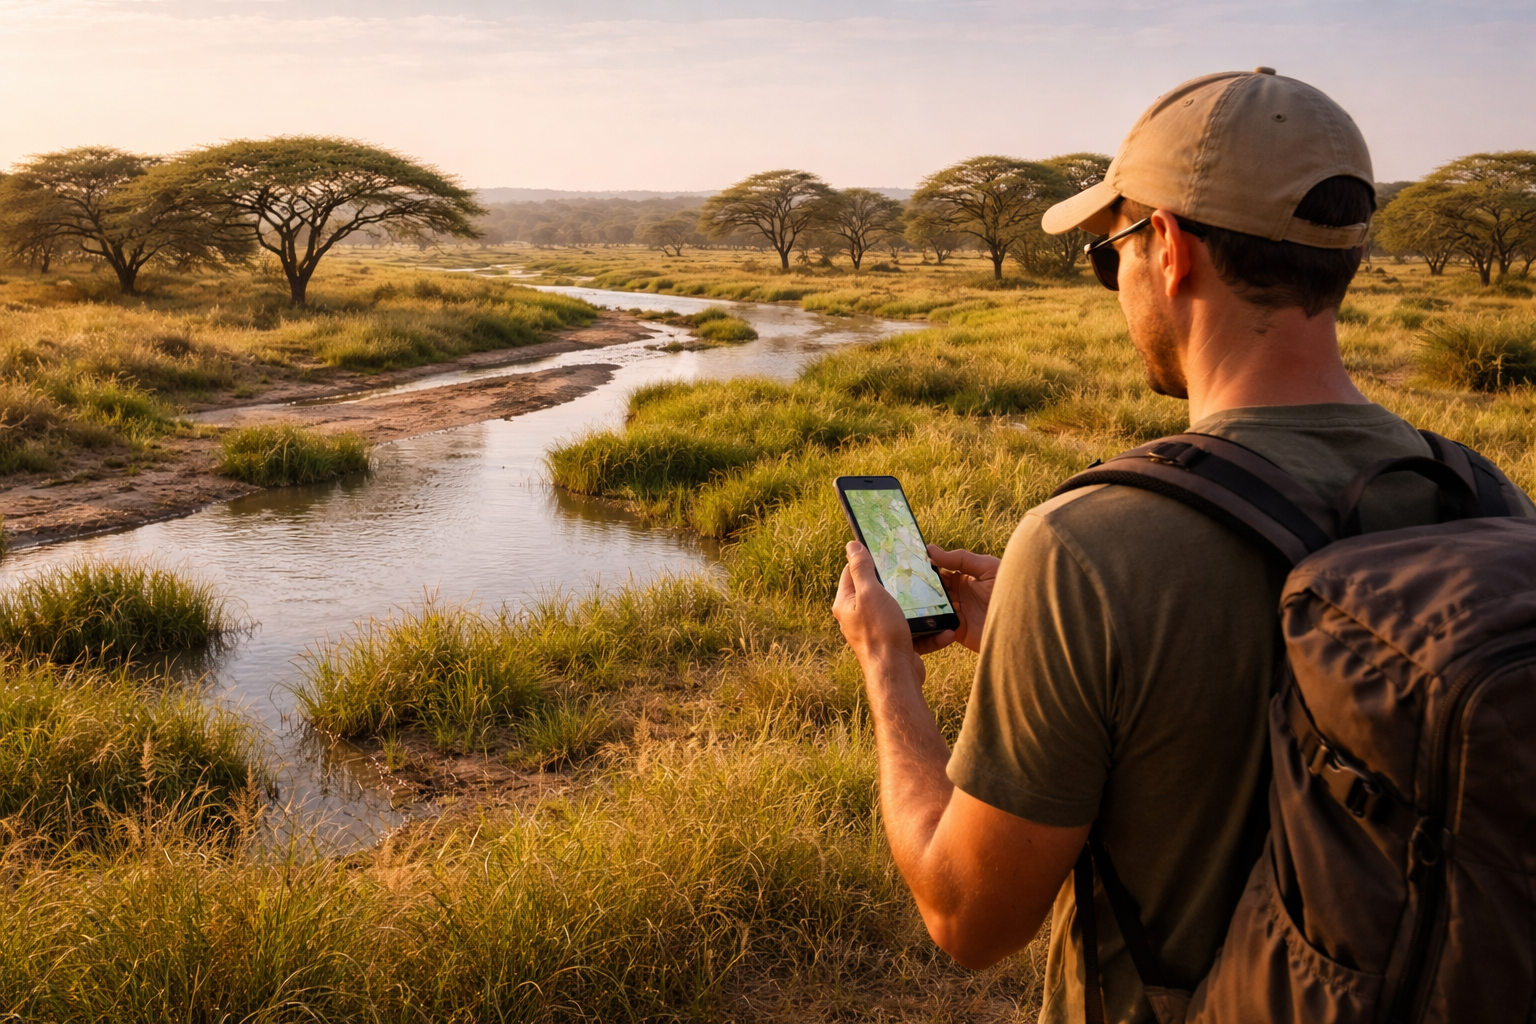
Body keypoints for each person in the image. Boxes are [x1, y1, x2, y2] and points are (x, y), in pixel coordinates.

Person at [831, 68, 1536, 1023]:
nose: (1115, 281)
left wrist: (888, 668)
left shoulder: (1087, 547)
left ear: (1166, 248)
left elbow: (968, 917)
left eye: (1108, 253)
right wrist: (1040, 647)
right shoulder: (1487, 499)